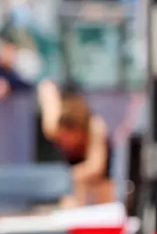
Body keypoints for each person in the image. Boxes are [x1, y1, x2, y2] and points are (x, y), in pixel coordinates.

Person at [37, 79, 114, 207]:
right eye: (60, 139)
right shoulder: (53, 127)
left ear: (78, 130)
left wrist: (71, 177)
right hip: (71, 186)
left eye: (67, 138)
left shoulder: (96, 128)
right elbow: (46, 87)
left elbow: (96, 168)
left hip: (99, 187)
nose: (63, 143)